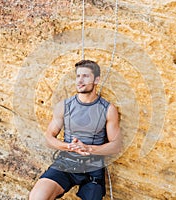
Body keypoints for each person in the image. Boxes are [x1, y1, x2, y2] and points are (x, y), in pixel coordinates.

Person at [29, 60, 122, 200]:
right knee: (37, 197)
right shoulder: (64, 106)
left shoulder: (108, 109)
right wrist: (70, 146)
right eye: (78, 76)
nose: (80, 80)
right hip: (66, 163)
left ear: (97, 80)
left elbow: (116, 145)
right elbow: (49, 137)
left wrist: (88, 149)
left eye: (85, 76)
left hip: (93, 168)